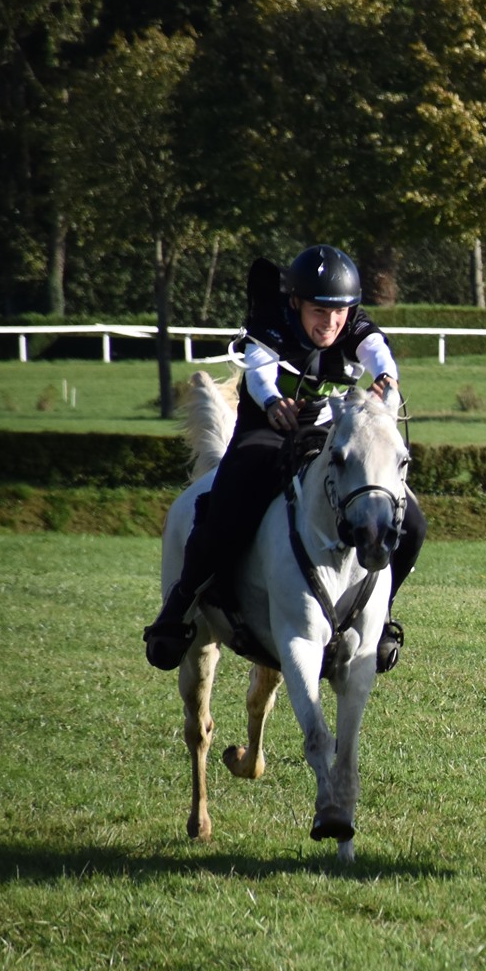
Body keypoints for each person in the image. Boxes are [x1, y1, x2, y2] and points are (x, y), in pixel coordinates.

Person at [142, 245, 424, 672]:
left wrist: (387, 377)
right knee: (230, 507)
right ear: (295, 303)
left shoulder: (353, 324)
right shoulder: (271, 322)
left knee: (412, 523)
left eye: (340, 312)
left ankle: (380, 617)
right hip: (267, 431)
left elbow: (377, 351)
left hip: (328, 436)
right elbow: (258, 371)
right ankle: (178, 608)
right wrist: (273, 401)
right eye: (318, 311)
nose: (329, 322)